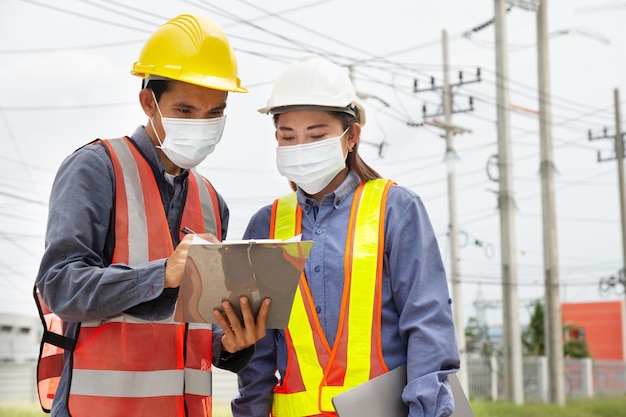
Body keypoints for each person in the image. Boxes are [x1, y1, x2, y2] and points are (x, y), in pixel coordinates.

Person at [34, 14, 270, 417]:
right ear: (149, 102)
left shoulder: (213, 201)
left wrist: (232, 343)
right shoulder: (96, 167)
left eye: (215, 113)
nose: (201, 124)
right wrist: (161, 274)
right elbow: (59, 287)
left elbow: (197, 327)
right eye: (185, 110)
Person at [231, 56, 460, 417]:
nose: (301, 145)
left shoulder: (395, 210)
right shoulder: (266, 225)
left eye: (316, 135)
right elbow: (256, 357)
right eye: (288, 136)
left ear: (351, 136)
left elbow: (427, 330)